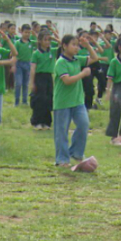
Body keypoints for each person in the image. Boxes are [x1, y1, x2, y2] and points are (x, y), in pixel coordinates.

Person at [52, 34, 97, 167]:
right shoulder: (60, 62)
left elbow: (94, 58)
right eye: (73, 44)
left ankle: (76, 153)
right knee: (61, 132)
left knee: (84, 124)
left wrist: (87, 45)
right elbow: (67, 81)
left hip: (78, 101)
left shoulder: (77, 60)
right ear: (64, 46)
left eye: (77, 45)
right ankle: (62, 159)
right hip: (63, 102)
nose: (76, 47)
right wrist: (83, 74)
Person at [29, 30, 57, 129]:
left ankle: (47, 122)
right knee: (39, 99)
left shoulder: (52, 51)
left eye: (49, 40)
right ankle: (37, 122)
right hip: (39, 77)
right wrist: (32, 82)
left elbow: (63, 44)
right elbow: (33, 68)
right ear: (40, 41)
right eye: (45, 40)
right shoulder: (36, 53)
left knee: (48, 99)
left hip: (48, 77)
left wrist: (54, 38)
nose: (48, 42)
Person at [13, 24, 34, 107]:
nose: (27, 34)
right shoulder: (17, 43)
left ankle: (24, 101)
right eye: (25, 32)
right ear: (21, 32)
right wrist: (13, 65)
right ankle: (16, 101)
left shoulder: (31, 43)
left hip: (28, 64)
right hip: (19, 64)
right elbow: (14, 55)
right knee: (18, 83)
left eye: (29, 33)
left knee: (25, 84)